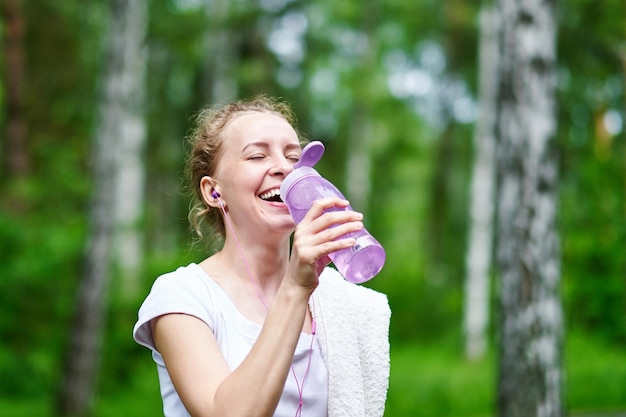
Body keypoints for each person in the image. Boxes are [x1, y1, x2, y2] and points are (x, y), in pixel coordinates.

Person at [133, 95, 391, 417]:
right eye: (257, 156)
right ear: (214, 192)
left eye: (293, 157)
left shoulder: (339, 303)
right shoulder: (182, 295)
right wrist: (296, 288)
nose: (284, 168)